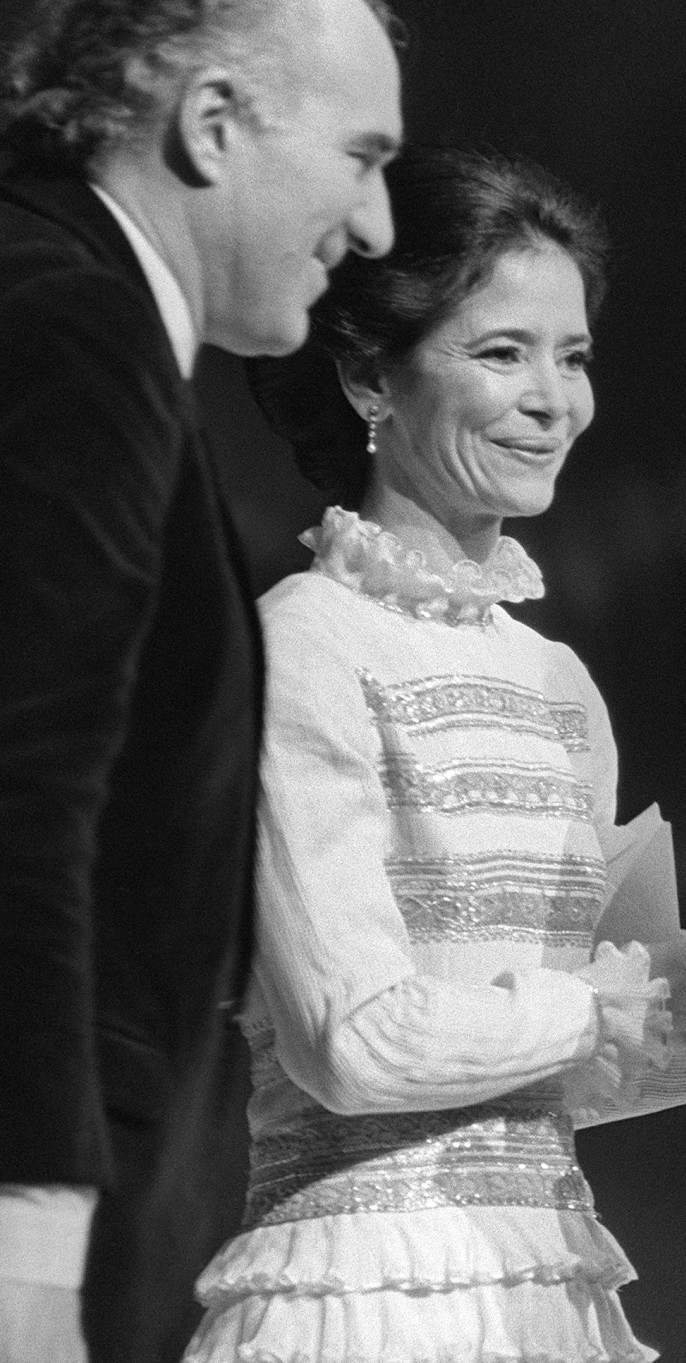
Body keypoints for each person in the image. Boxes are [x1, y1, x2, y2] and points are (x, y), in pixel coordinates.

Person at [176, 144, 686, 1363]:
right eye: (502, 352)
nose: (555, 398)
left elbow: (577, 1074)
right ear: (371, 374)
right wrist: (600, 1002)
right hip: (361, 1293)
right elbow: (357, 1041)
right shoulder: (306, 644)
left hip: (547, 1281)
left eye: (573, 355)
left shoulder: (556, 683)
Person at [0, 2, 401, 1360]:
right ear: (214, 123)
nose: (379, 224)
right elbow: (22, 800)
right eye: (362, 156)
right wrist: (29, 1246)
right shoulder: (73, 323)